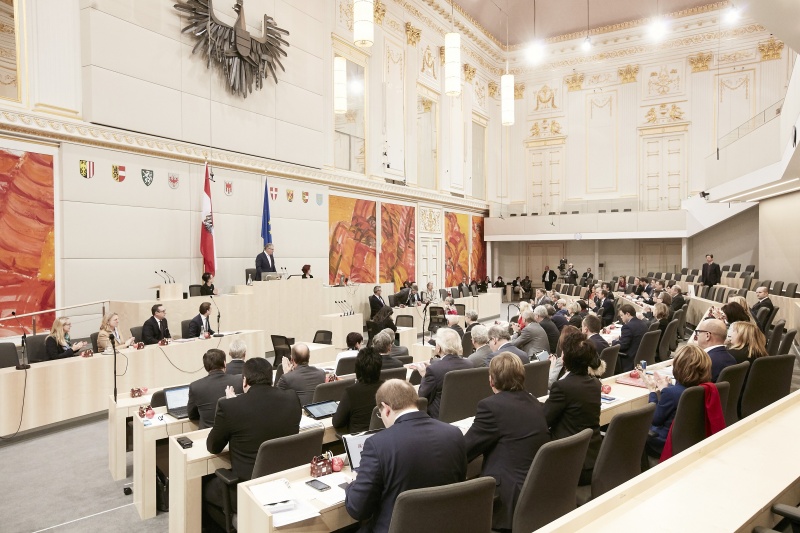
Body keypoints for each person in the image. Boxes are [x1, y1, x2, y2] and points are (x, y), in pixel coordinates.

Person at [344, 380, 467, 532]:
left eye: (380, 413)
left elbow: (357, 509)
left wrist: (353, 484)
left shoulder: (377, 444)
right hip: (444, 526)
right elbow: (460, 482)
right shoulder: (454, 434)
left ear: (386, 409)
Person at [464, 353, 550, 531]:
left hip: (505, 499)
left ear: (491, 380)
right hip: (536, 490)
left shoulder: (490, 407)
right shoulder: (534, 401)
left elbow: (466, 450)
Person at [205, 358, 301, 515]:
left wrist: (232, 407)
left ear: (244, 381)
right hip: (286, 485)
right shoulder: (292, 398)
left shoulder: (230, 407)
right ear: (271, 379)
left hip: (248, 492)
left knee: (204, 486)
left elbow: (213, 446)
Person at [544, 334, 605, 485]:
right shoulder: (596, 384)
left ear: (565, 359)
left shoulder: (562, 387)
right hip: (593, 460)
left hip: (570, 465)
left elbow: (544, 419)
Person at [642, 345, 711, 458]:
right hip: (689, 441)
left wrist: (653, 392)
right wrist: (666, 388)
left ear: (677, 368)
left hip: (662, 443)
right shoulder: (705, 389)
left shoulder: (671, 394)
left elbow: (654, 419)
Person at [417, 328, 474, 419]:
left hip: (437, 416)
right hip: (462, 412)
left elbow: (422, 395)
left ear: (439, 347)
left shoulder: (434, 369)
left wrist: (424, 375)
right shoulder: (469, 364)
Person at [187, 349, 244, 429]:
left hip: (208, 434)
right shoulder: (240, 380)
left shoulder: (195, 386)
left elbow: (192, 416)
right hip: (235, 431)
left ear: (205, 367)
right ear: (224, 363)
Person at [332, 347, 384, 434]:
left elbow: (337, 423)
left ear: (357, 369)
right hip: (382, 440)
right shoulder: (388, 388)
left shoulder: (351, 392)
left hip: (358, 444)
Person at [612, 304, 647, 372]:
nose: (621, 318)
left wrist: (613, 342)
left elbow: (623, 346)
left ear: (627, 314)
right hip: (641, 357)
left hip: (629, 359)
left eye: (622, 315)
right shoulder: (643, 324)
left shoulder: (627, 327)